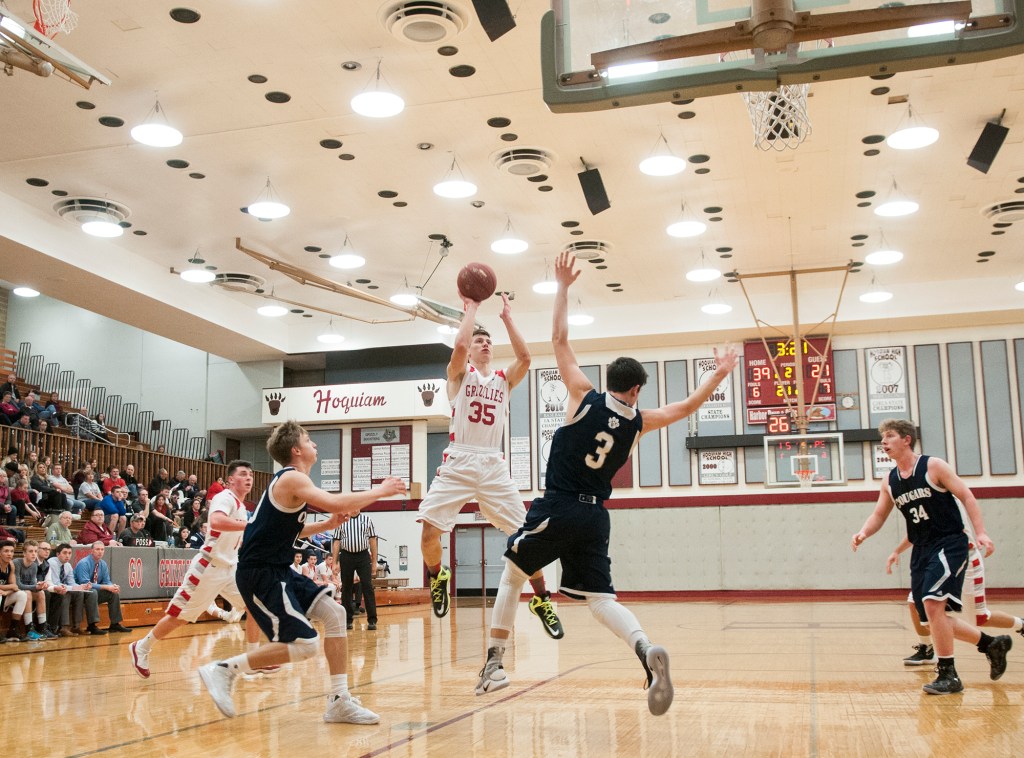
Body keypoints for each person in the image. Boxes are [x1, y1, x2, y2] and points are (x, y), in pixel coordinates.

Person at [474, 251, 738, 717]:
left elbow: (558, 338)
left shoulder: (583, 394)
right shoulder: (640, 421)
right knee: (600, 599)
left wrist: (562, 285)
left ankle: (494, 664)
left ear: (610, 381)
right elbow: (687, 408)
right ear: (636, 390)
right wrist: (717, 372)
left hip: (557, 506)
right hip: (595, 515)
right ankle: (644, 648)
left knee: (513, 572)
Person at [198, 420, 406, 724]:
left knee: (335, 613)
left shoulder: (292, 484)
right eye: (309, 440)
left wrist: (326, 526)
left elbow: (284, 532)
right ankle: (225, 669)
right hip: (261, 573)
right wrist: (380, 490)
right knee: (305, 644)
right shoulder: (292, 479)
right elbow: (335, 501)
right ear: (296, 450)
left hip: (277, 567)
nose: (315, 445)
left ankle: (339, 700)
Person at [417, 291, 561, 638]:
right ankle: (439, 576)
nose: (482, 344)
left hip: (492, 462)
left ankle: (541, 598)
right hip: (460, 458)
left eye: (487, 341)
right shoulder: (459, 376)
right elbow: (459, 349)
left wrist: (508, 318)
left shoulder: (502, 380)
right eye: (478, 340)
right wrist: (472, 309)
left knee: (528, 537)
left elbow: (525, 357)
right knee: (427, 533)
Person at [852, 418, 1012, 695]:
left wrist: (982, 532)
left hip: (949, 542)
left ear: (906, 439)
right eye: (882, 438)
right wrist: (864, 532)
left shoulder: (933, 466)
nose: (883, 442)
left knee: (932, 602)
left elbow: (967, 496)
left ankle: (949, 674)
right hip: (922, 548)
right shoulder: (890, 481)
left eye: (889, 436)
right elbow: (879, 514)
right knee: (930, 617)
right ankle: (990, 644)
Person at [129, 460, 265, 679]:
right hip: (209, 567)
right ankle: (141, 647)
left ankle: (251, 660)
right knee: (180, 617)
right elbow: (218, 521)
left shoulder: (242, 507)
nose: (249, 477)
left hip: (230, 568)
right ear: (230, 479)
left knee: (256, 606)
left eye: (250, 474)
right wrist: (251, 527)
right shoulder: (224, 497)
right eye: (242, 474)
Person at [332, 512, 379, 631]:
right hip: (346, 555)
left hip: (363, 556)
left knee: (367, 586)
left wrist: (374, 562)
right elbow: (337, 541)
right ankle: (347, 620)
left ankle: (372, 620)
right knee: (346, 587)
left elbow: (372, 541)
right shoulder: (342, 520)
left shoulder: (367, 519)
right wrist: (334, 562)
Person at [73, 541, 131, 634]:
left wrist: (112, 586)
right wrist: (106, 587)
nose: (100, 552)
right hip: (81, 593)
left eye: (102, 549)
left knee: (113, 593)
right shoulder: (84, 563)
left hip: (94, 593)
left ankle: (115, 624)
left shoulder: (103, 564)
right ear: (91, 551)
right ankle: (92, 626)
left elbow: (106, 581)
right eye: (97, 549)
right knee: (92, 592)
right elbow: (85, 584)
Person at [46, 542, 96, 636]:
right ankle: (64, 627)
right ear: (57, 554)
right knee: (66, 593)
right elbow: (56, 582)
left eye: (69, 553)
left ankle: (76, 626)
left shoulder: (68, 565)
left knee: (79, 593)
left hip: (63, 589)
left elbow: (71, 582)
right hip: (52, 590)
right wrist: (73, 587)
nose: (67, 556)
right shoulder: (52, 562)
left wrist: (82, 586)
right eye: (65, 553)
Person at [13, 540, 53, 640]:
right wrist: (35, 587)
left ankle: (42, 626)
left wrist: (39, 585)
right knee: (28, 593)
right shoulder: (16, 563)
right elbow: (18, 585)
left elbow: (31, 584)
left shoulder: (34, 566)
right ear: (24, 553)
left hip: (25, 592)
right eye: (31, 551)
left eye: (35, 551)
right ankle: (29, 629)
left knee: (41, 593)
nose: (34, 554)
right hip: (13, 592)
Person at [0, 539, 31, 642]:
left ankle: (13, 629)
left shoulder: (11, 565)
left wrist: (6, 591)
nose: (9, 554)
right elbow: (12, 586)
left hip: (3, 595)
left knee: (22, 594)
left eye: (12, 551)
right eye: (6, 551)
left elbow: (15, 586)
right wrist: (9, 588)